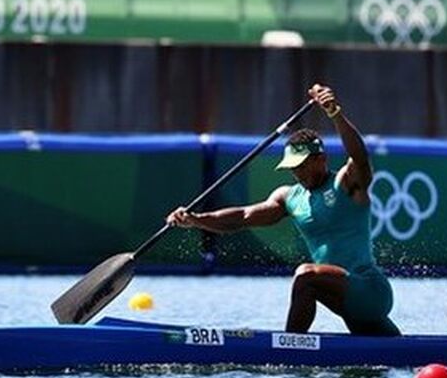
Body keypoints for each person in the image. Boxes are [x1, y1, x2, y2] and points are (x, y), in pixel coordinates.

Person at [167, 84, 401, 337]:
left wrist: (334, 114)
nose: (296, 173)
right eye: (292, 167)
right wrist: (196, 220)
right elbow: (243, 217)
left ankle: (288, 348)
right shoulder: (289, 197)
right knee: (400, 354)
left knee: (305, 275)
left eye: (301, 166)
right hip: (344, 300)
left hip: (369, 291)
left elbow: (360, 157)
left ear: (320, 159)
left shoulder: (346, 183)